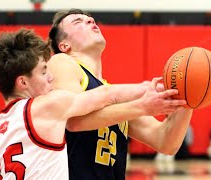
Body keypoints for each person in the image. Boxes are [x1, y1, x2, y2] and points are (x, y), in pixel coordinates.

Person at [0, 28, 186, 179]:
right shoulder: (47, 105)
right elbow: (106, 94)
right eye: (43, 71)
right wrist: (149, 92)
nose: (50, 78)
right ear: (22, 82)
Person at [47, 8, 194, 180]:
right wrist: (142, 106)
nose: (90, 21)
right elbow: (73, 119)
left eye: (90, 19)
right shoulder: (61, 62)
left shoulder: (114, 95)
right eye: (78, 22)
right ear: (64, 45)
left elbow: (166, 142)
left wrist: (188, 97)